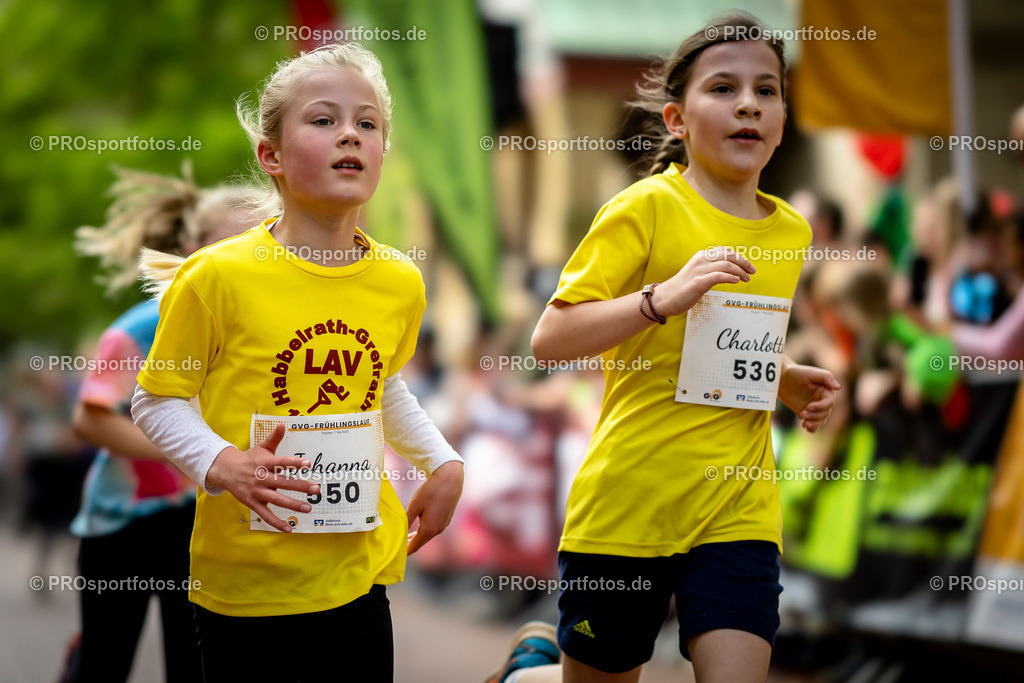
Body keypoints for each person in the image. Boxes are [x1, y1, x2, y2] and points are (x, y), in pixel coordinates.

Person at [489, 13, 839, 683]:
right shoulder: (644, 208)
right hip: (628, 505)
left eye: (767, 91)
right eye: (724, 89)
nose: (748, 104)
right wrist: (660, 298)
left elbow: (725, 346)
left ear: (783, 120)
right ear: (677, 119)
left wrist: (783, 375)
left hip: (738, 508)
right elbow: (551, 338)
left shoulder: (791, 230)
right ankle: (529, 674)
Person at [131, 42, 464, 683]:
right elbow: (156, 398)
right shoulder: (217, 276)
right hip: (246, 588)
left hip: (355, 574)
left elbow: (381, 385)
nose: (350, 134)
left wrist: (441, 460)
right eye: (323, 120)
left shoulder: (400, 280)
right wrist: (222, 464)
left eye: (367, 124)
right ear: (271, 156)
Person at [68, 164, 262, 682]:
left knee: (195, 666)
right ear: (188, 248)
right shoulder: (143, 325)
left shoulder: (256, 331)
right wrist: (194, 452)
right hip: (124, 522)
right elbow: (88, 422)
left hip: (201, 520)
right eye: (229, 244)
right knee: (105, 663)